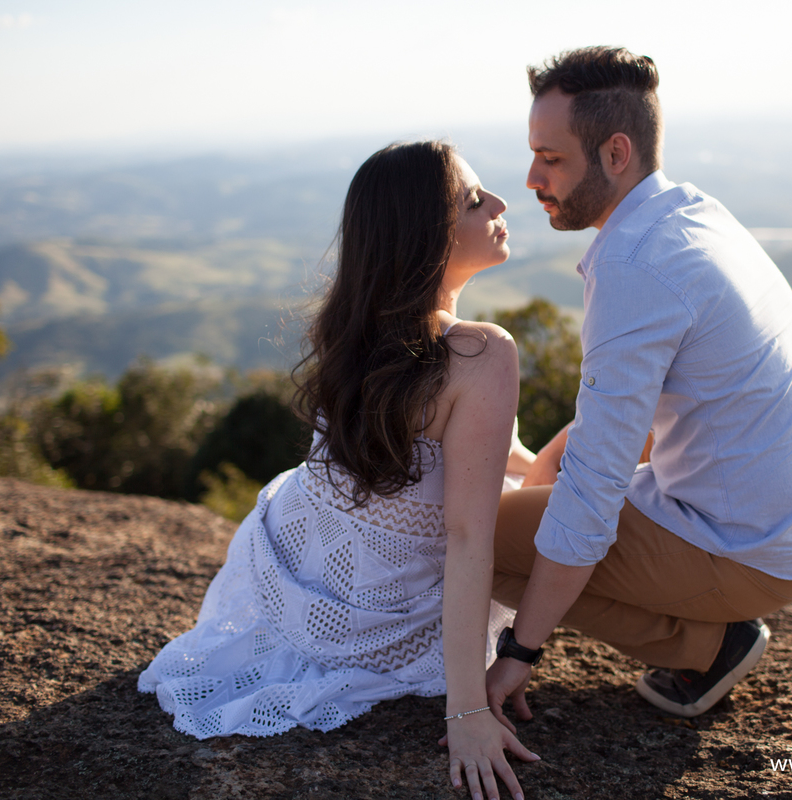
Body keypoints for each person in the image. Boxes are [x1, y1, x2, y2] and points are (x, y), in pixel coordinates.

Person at [139, 140, 539, 800]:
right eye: (473, 200)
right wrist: (466, 711)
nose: (500, 203)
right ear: (424, 234)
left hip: (300, 574)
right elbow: (469, 538)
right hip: (385, 619)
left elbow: (499, 462)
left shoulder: (356, 328)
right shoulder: (479, 353)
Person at [484, 47, 792, 731]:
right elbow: (642, 414)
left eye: (552, 157)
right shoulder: (690, 214)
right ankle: (708, 630)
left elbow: (593, 494)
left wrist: (521, 650)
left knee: (468, 542)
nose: (533, 177)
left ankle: (708, 646)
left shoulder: (634, 264)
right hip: (782, 524)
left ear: (615, 152)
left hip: (742, 548)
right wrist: (560, 460)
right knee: (551, 488)